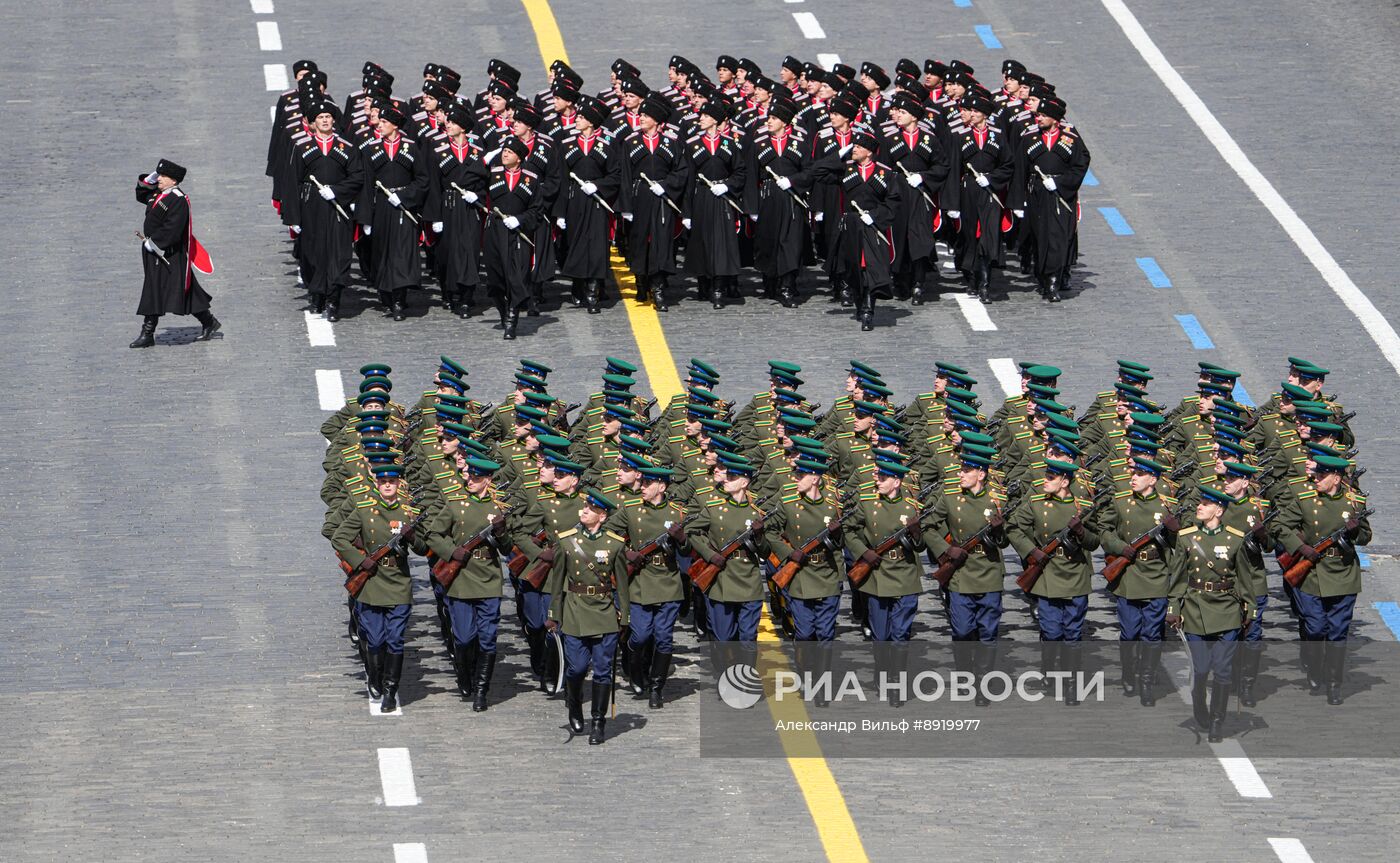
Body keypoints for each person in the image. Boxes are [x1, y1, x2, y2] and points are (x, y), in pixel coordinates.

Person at [1276, 453, 1371, 704]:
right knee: (1316, 627)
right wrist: (1300, 547)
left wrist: (1355, 532)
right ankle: (1315, 666)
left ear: (1337, 478)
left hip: (1342, 571)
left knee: (1338, 632)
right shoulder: (1306, 500)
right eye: (1316, 473)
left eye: (1322, 475)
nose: (1315, 478)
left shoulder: (1354, 502)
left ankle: (1334, 683)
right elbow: (1281, 526)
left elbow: (1365, 537)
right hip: (1312, 572)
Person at [330, 461, 420, 713]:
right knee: (375, 640)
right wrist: (360, 560)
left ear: (398, 484)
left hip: (398, 583)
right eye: (383, 482)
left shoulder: (407, 511)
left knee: (395, 640)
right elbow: (339, 537)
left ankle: (390, 690)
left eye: (392, 482)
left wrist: (413, 536)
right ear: (377, 484)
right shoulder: (364, 510)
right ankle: (376, 677)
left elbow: (423, 548)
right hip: (370, 582)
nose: (388, 485)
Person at [923, 449, 1010, 707]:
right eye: (960, 470)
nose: (960, 474)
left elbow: (1005, 541)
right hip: (960, 572)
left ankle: (982, 683)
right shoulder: (950, 499)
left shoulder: (997, 501)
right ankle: (965, 674)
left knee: (988, 631)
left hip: (990, 571)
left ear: (980, 474)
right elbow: (928, 526)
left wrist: (998, 531)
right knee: (962, 629)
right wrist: (946, 549)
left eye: (966, 471)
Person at [1166, 487, 1253, 741]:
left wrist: (1251, 609)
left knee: (1223, 670)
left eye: (1205, 503)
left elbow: (1245, 579)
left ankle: (1217, 720)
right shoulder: (1186, 538)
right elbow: (1178, 578)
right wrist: (1173, 608)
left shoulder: (1235, 540)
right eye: (1200, 502)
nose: (1199, 507)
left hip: (1227, 610)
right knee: (1202, 669)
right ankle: (1199, 703)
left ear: (1219, 510)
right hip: (1195, 610)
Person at [546, 488, 630, 745]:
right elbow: (557, 580)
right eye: (584, 507)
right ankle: (574, 706)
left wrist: (624, 617)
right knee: (577, 668)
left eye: (590, 509)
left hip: (604, 612)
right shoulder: (566, 541)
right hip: (575, 610)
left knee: (603, 671)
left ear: (602, 516)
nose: (583, 511)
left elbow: (623, 586)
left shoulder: (615, 544)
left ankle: (599, 722)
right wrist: (553, 614)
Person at [1097, 456, 1179, 706]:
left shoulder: (1167, 505)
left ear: (1152, 479)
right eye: (1132, 472)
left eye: (1139, 474)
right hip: (1129, 574)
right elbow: (1104, 530)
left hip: (1155, 575)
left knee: (1152, 634)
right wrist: (1120, 548)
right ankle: (1128, 671)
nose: (1132, 477)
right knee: (1130, 632)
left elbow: (1179, 547)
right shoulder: (1122, 502)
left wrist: (1175, 529)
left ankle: (1146, 680)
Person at [613, 466, 690, 708]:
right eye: (642, 482)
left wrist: (682, 540)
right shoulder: (631, 509)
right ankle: (636, 672)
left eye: (648, 483)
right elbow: (609, 533)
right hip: (640, 581)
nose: (642, 486)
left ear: (662, 487)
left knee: (664, 638)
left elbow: (689, 552)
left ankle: (657, 687)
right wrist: (627, 553)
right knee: (641, 635)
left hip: (668, 582)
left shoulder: (678, 513)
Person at [283, 100, 364, 320]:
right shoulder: (301, 147)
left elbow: (357, 176)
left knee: (339, 254)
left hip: (338, 207)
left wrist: (338, 191)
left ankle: (334, 299)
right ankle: (317, 294)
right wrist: (294, 217)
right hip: (312, 207)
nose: (325, 120)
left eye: (328, 117)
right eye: (320, 118)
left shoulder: (346, 148)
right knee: (313, 253)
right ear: (312, 123)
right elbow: (292, 182)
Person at [131, 159, 218, 347]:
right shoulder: (159, 194)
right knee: (174, 290)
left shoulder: (178, 200)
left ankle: (148, 333)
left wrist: (155, 244)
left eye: (163, 176)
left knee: (162, 290)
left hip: (167, 253)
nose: (159, 179)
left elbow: (174, 229)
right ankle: (209, 322)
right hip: (154, 252)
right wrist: (150, 178)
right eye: (159, 175)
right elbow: (141, 194)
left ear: (174, 180)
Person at [356, 104, 430, 320]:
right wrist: (365, 217)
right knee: (382, 252)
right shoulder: (371, 149)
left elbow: (422, 180)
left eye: (384, 122)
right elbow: (367, 184)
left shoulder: (411, 148)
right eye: (379, 122)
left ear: (395, 125)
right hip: (381, 207)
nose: (380, 126)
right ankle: (386, 293)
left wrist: (405, 196)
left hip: (402, 208)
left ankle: (399, 298)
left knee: (401, 252)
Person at [552, 96, 621, 314]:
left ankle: (593, 291)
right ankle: (578, 285)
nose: (577, 120)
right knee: (576, 244)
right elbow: (561, 180)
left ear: (591, 122)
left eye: (581, 118)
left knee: (597, 246)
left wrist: (598, 185)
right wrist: (560, 212)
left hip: (597, 202)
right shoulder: (566, 144)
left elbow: (615, 175)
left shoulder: (606, 145)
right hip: (574, 201)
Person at [426, 105, 488, 318]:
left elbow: (484, 182)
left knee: (469, 251)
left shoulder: (478, 152)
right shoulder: (438, 150)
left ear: (462, 128)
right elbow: (433, 185)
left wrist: (477, 196)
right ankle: (450, 292)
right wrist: (435, 216)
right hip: (449, 206)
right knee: (449, 253)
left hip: (470, 208)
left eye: (452, 123)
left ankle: (466, 296)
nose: (447, 125)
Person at [482, 137, 542, 339]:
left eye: (509, 151)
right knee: (496, 279)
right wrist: (483, 161)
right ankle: (503, 311)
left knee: (516, 278)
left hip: (518, 233)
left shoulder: (531, 178)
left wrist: (520, 219)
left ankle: (511, 320)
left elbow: (537, 210)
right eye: (503, 151)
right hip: (495, 230)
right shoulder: (492, 174)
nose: (504, 154)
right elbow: (467, 179)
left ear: (519, 158)